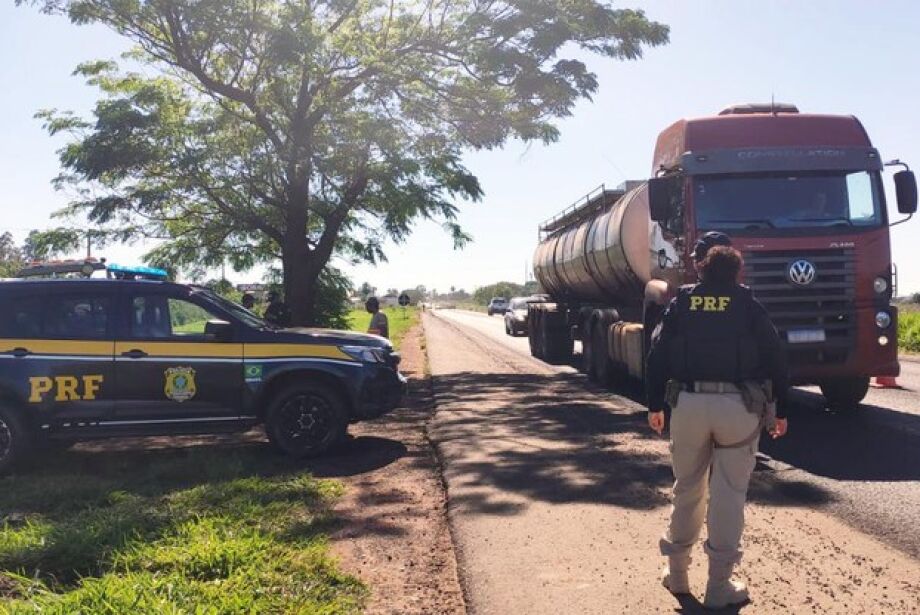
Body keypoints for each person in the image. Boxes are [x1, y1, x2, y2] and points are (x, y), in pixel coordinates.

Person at [645, 231, 789, 609]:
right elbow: (776, 357)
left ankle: (677, 577)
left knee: (687, 487)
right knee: (728, 495)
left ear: (703, 267)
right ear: (737, 272)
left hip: (689, 405)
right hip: (737, 409)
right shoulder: (748, 304)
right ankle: (718, 586)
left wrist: (653, 405)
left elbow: (656, 353)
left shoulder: (682, 302)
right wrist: (781, 409)